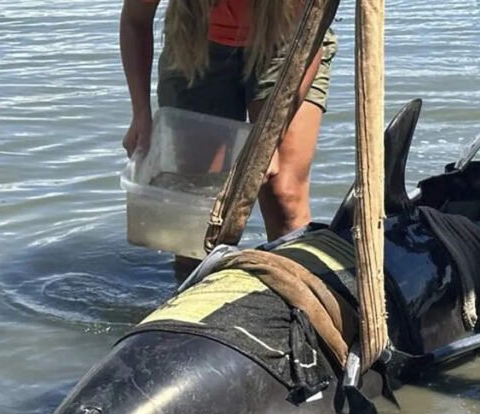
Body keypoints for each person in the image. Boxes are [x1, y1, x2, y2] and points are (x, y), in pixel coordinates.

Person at [119, 0, 337, 244]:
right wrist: (140, 113)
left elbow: (310, 34)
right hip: (195, 40)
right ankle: (196, 277)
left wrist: (271, 136)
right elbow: (135, 21)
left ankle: (289, 272)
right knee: (196, 209)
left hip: (288, 40)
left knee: (283, 196)